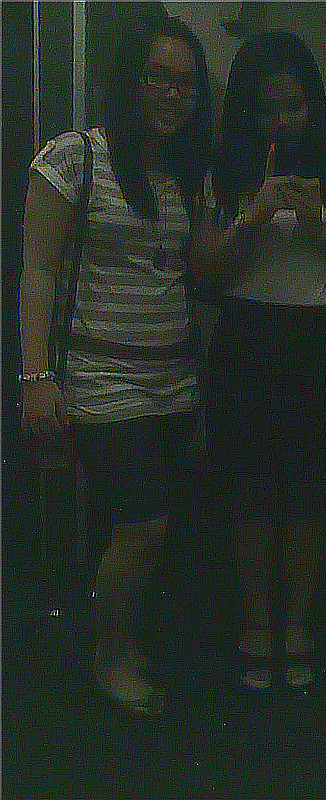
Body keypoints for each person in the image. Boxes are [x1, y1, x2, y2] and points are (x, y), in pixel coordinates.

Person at [20, 14, 211, 715]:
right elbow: (37, 271)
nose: (171, 94)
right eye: (157, 77)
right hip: (102, 379)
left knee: (147, 529)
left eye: (185, 82)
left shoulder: (185, 172)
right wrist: (35, 378)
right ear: (130, 80)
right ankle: (109, 656)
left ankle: (122, 639)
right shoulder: (77, 156)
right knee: (140, 528)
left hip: (175, 380)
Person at [187, 31, 326, 690]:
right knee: (250, 490)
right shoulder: (224, 170)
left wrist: (317, 224)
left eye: (295, 106)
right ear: (246, 111)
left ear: (313, 105)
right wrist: (255, 213)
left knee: (311, 490)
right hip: (248, 337)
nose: (283, 121)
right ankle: (259, 620)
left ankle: (300, 621)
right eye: (267, 108)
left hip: (322, 338)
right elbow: (206, 272)